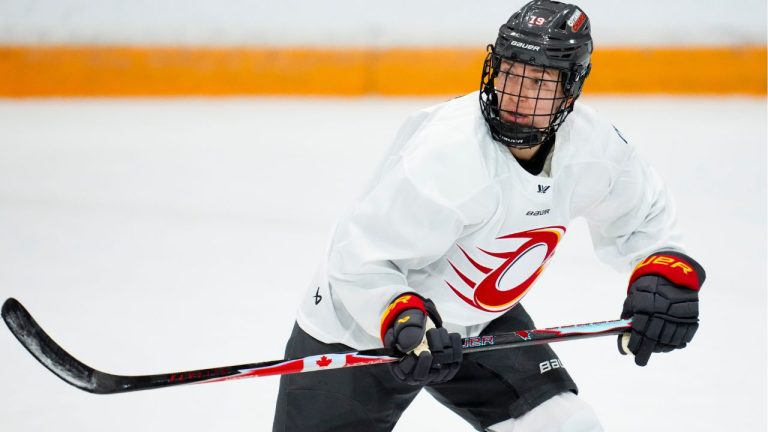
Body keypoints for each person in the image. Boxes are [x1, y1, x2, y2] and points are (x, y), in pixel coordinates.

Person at [272, 1, 706, 431]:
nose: (516, 95)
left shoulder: (594, 149)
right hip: (358, 330)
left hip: (478, 323)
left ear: (570, 90)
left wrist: (663, 278)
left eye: (538, 81)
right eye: (510, 73)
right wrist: (402, 319)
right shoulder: (448, 155)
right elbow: (357, 259)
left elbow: (646, 218)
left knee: (566, 426)